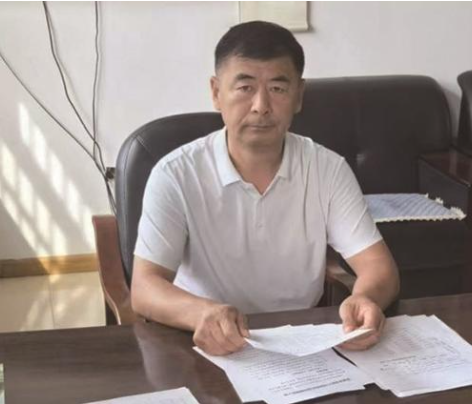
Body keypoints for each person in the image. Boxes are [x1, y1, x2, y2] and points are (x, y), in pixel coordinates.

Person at [131, 21, 399, 356]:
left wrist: (365, 298)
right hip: (200, 340)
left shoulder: (327, 169)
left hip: (302, 342)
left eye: (277, 88)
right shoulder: (175, 174)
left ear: (299, 96)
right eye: (245, 87)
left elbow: (378, 267)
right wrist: (201, 313)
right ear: (216, 92)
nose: (261, 105)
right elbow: (145, 286)